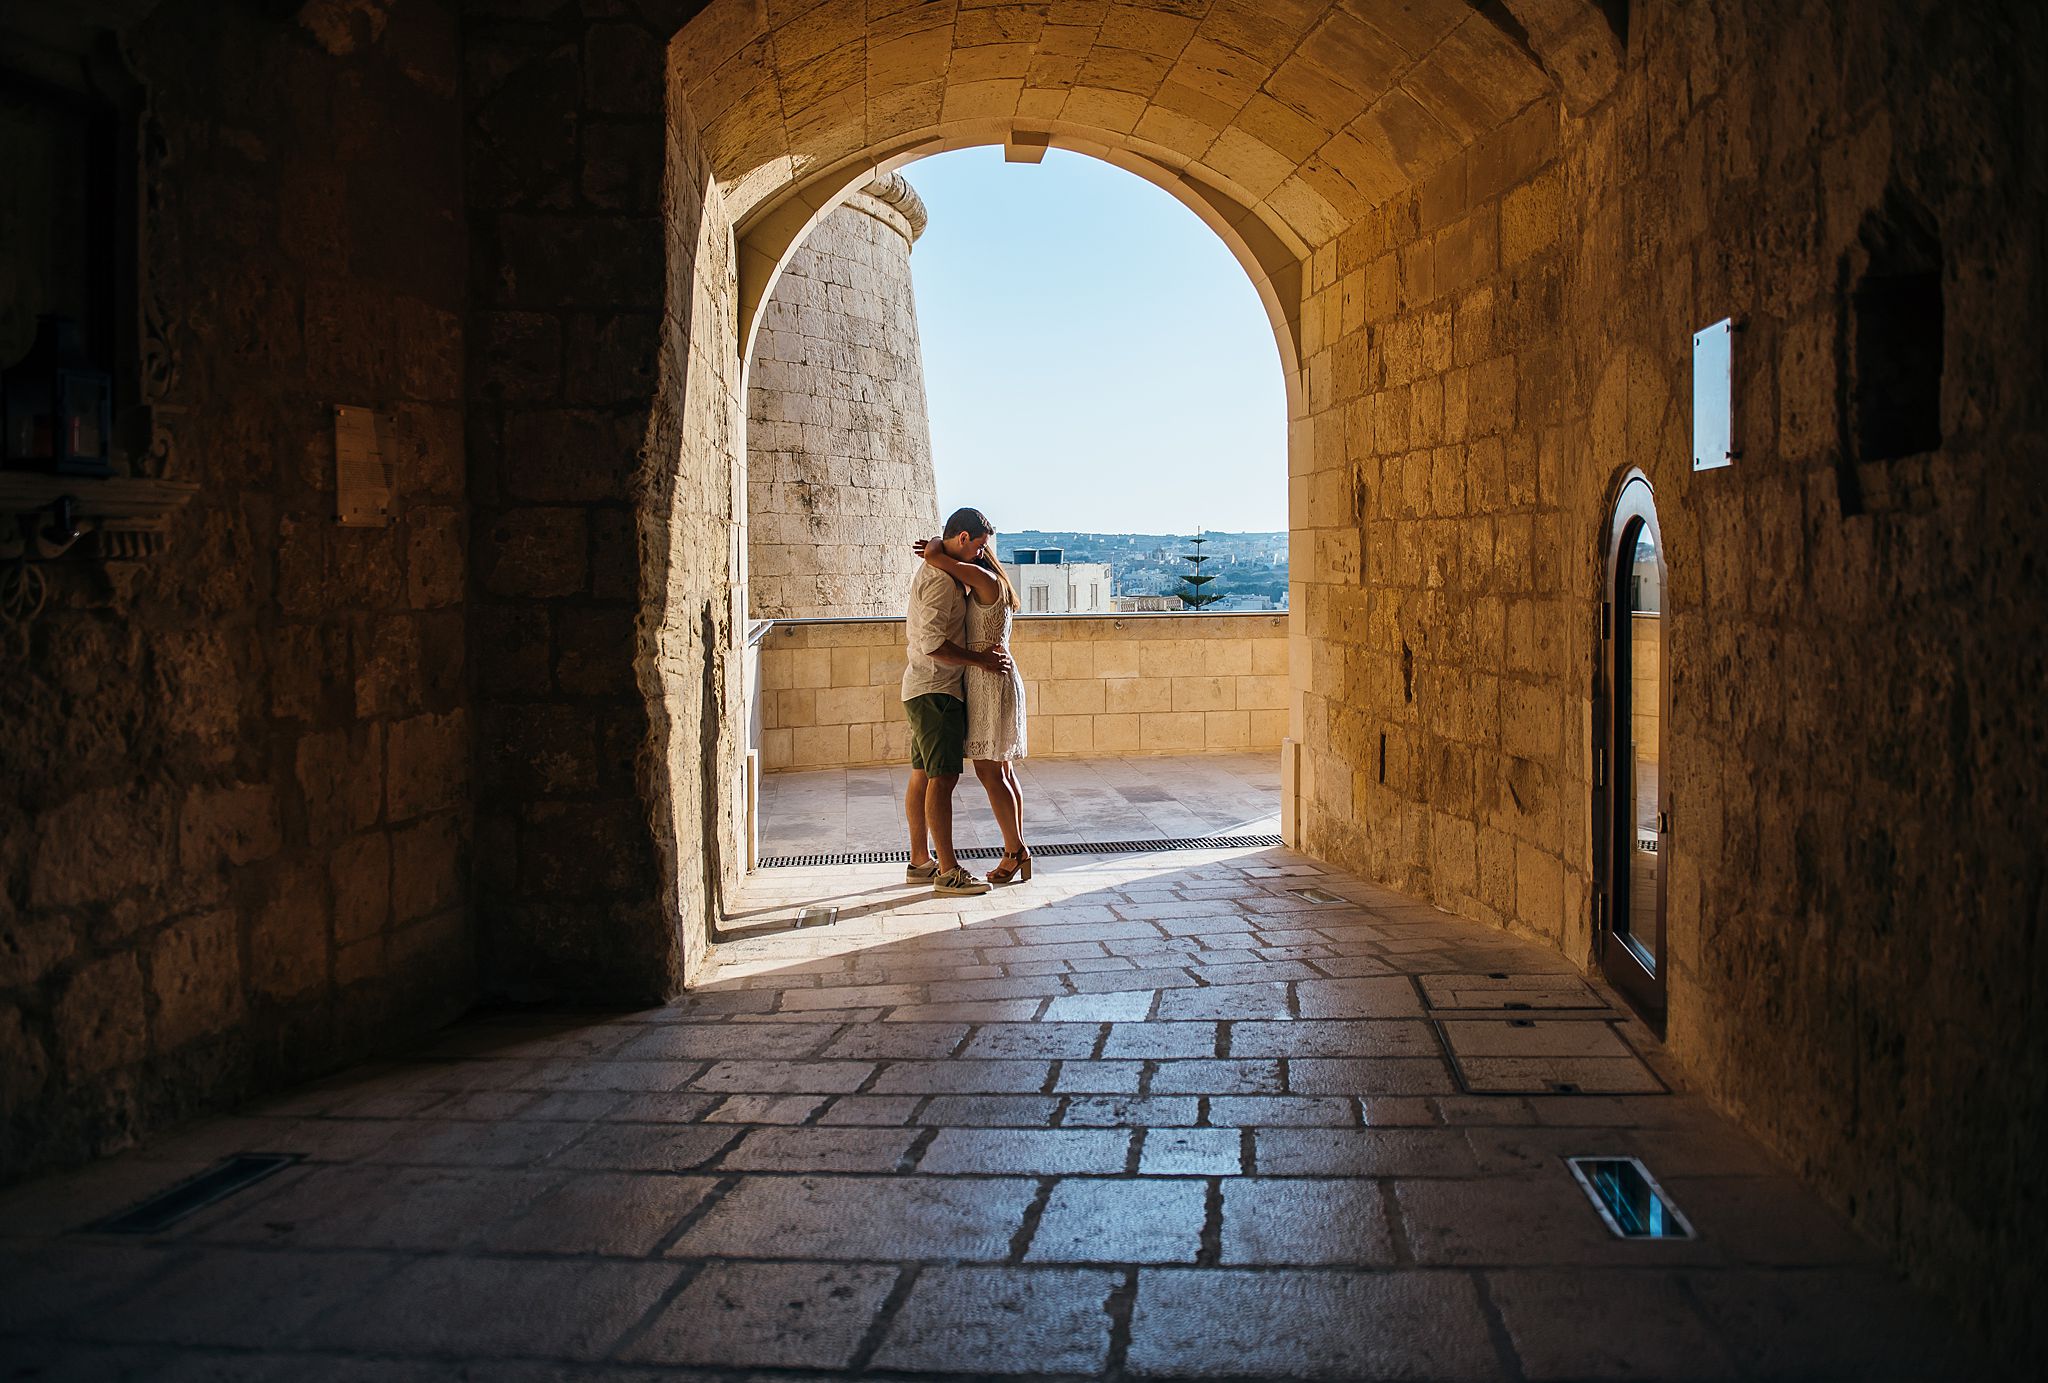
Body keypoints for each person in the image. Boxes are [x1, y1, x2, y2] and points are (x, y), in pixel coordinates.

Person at [901, 507, 1012, 896]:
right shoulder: (941, 582)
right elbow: (933, 644)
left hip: (924, 688)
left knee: (922, 775)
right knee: (942, 778)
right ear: (963, 539)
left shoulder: (943, 571)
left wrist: (936, 551)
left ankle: (920, 862)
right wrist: (980, 659)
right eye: (979, 546)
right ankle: (947, 871)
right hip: (937, 690)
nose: (983, 553)